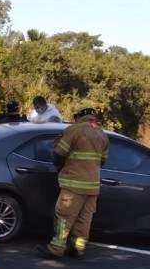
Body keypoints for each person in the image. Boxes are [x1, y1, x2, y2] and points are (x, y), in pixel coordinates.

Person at [36, 107, 109, 259]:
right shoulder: (102, 134)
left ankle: (56, 249)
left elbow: (59, 153)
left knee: (64, 216)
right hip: (93, 186)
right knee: (84, 219)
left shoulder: (74, 130)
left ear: (80, 117)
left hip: (73, 184)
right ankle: (78, 248)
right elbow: (102, 161)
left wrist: (60, 167)